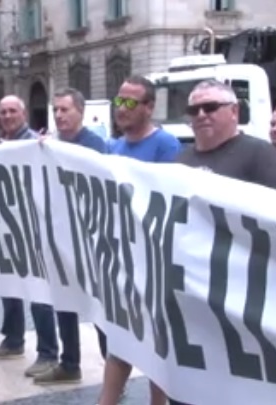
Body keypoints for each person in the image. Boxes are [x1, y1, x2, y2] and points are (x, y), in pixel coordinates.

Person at [170, 81, 276, 405]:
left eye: (210, 107)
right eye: (193, 109)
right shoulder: (180, 161)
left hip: (243, 301)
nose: (201, 115)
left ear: (234, 111)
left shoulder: (260, 155)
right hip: (194, 300)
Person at [99, 76, 181, 405]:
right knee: (120, 337)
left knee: (155, 342)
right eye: (119, 101)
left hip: (154, 260)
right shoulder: (113, 146)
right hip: (121, 257)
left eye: (131, 102)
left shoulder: (168, 146)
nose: (122, 108)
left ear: (149, 107)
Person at [0, 95, 58, 379]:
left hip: (34, 229)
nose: (8, 115)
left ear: (23, 113)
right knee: (9, 287)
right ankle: (13, 340)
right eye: (3, 112)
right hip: (6, 226)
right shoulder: (0, 144)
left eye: (13, 111)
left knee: (39, 293)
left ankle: (49, 353)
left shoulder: (36, 143)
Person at [32, 88, 107, 385]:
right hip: (61, 237)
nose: (59, 115)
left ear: (81, 111)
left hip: (90, 239)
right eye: (56, 110)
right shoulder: (51, 145)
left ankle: (113, 369)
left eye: (65, 109)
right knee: (64, 301)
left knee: (101, 308)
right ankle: (69, 363)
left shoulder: (95, 145)